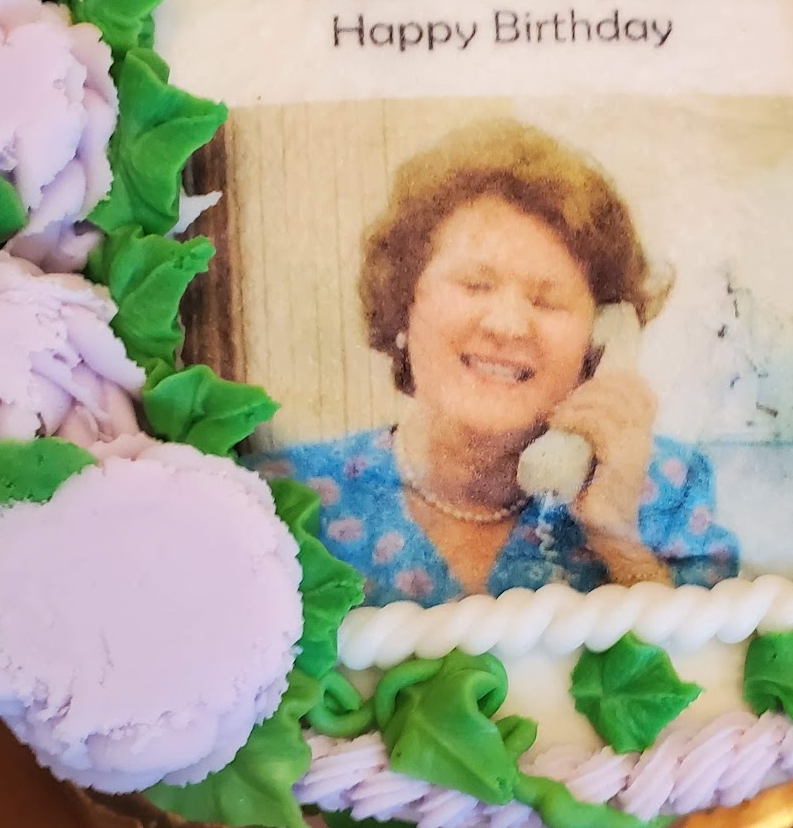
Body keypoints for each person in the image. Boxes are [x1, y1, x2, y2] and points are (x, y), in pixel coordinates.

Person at [269, 118, 739, 605]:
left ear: (599, 339)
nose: (509, 326)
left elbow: (710, 656)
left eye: (547, 300)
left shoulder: (670, 489)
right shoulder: (284, 496)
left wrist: (617, 535)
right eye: (475, 285)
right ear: (403, 302)